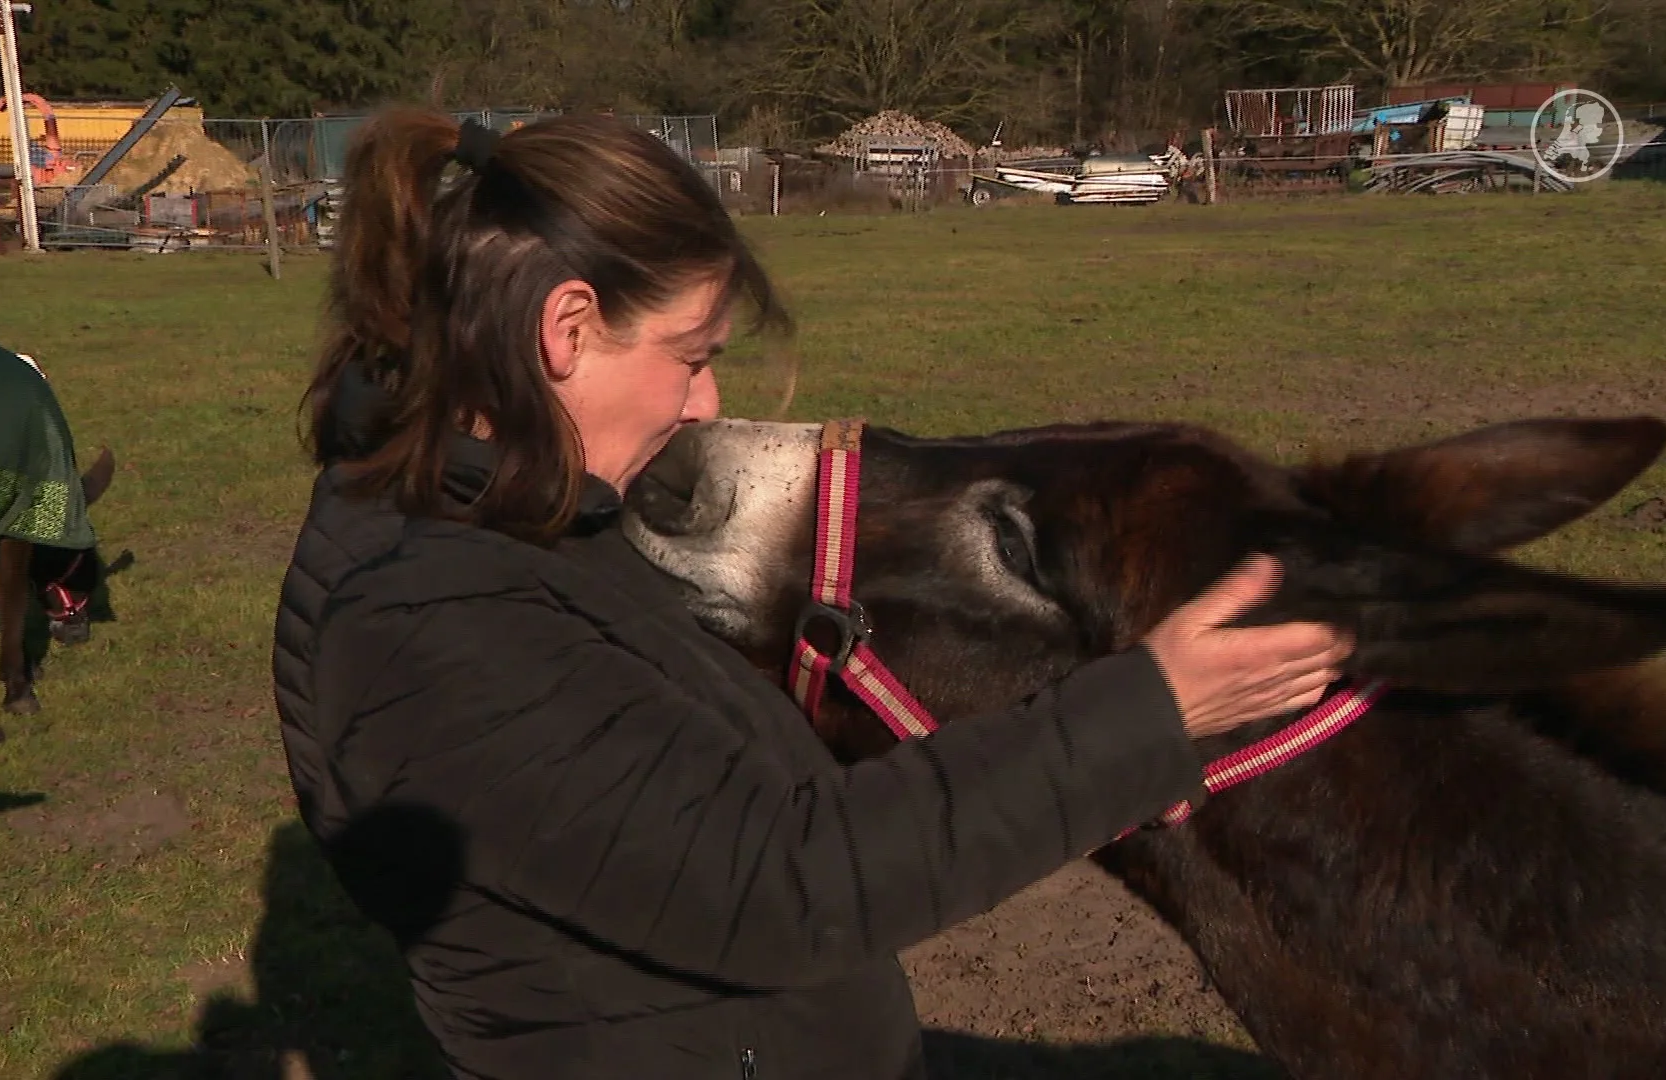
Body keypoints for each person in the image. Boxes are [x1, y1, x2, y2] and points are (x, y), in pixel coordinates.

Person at [272, 106, 1353, 1080]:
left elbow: (688, 762)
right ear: (565, 330)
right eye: (691, 355)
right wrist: (1141, 720)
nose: (707, 403)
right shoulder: (428, 626)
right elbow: (786, 884)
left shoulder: (526, 513)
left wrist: (1097, 756)